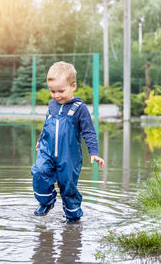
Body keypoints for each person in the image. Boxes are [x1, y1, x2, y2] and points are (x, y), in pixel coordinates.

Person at [31, 61, 105, 222]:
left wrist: (94, 153)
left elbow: (89, 131)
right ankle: (46, 202)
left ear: (73, 86)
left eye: (61, 91)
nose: (57, 95)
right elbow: (47, 124)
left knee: (68, 186)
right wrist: (40, 139)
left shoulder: (79, 108)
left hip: (68, 156)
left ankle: (73, 217)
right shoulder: (52, 105)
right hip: (47, 151)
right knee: (39, 171)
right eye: (52, 91)